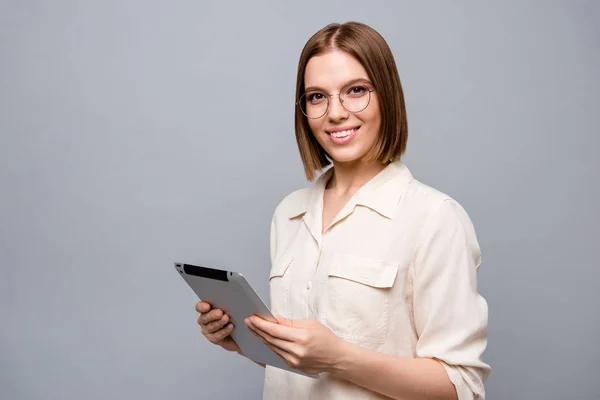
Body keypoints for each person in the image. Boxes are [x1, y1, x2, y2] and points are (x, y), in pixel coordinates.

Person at [195, 21, 490, 400]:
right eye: (317, 97)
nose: (335, 113)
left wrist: (338, 357)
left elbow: (461, 386)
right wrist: (244, 341)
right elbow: (303, 368)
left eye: (355, 91)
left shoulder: (435, 218)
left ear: (387, 96)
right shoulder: (289, 214)